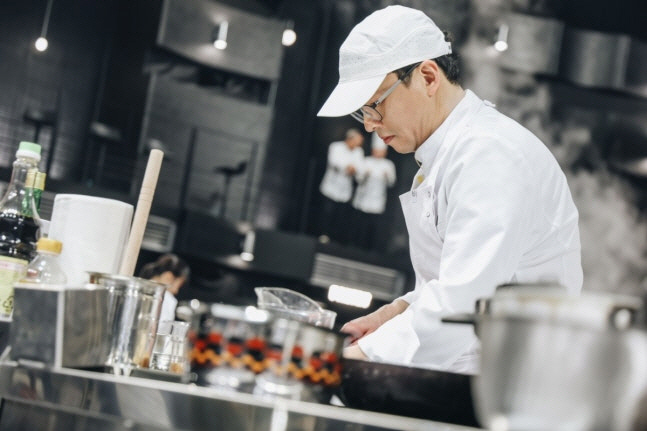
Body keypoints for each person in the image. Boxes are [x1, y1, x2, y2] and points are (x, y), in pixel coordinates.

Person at [317, 5, 582, 373]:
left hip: (511, 380)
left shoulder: (489, 154)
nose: (369, 125)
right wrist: (397, 312)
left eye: (375, 105)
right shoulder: (454, 152)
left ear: (428, 77)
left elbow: (464, 302)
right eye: (361, 112)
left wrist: (360, 358)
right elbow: (458, 281)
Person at [351, 132, 397, 249]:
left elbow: (392, 182)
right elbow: (358, 179)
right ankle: (354, 246)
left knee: (372, 226)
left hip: (377, 200)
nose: (378, 153)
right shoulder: (366, 161)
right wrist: (365, 175)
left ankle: (369, 249)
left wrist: (387, 176)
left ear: (385, 152)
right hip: (363, 198)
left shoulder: (388, 165)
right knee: (359, 224)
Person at [318, 128, 365, 243]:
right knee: (327, 213)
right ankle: (323, 235)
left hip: (345, 189)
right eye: (358, 141)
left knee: (340, 215)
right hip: (331, 186)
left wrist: (354, 169)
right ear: (350, 139)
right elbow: (334, 162)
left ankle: (336, 239)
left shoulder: (359, 151)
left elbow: (360, 168)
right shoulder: (336, 147)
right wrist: (348, 167)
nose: (359, 144)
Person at [139, 253, 190, 323]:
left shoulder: (138, 288)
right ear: (168, 277)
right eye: (178, 285)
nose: (176, 291)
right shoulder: (166, 298)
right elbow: (162, 327)